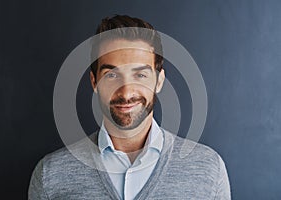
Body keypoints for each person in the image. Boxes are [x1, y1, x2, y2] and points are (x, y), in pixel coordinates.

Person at [28, 15, 231, 200]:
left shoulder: (208, 169)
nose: (126, 93)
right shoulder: (50, 174)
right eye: (112, 75)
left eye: (140, 75)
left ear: (159, 81)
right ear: (94, 82)